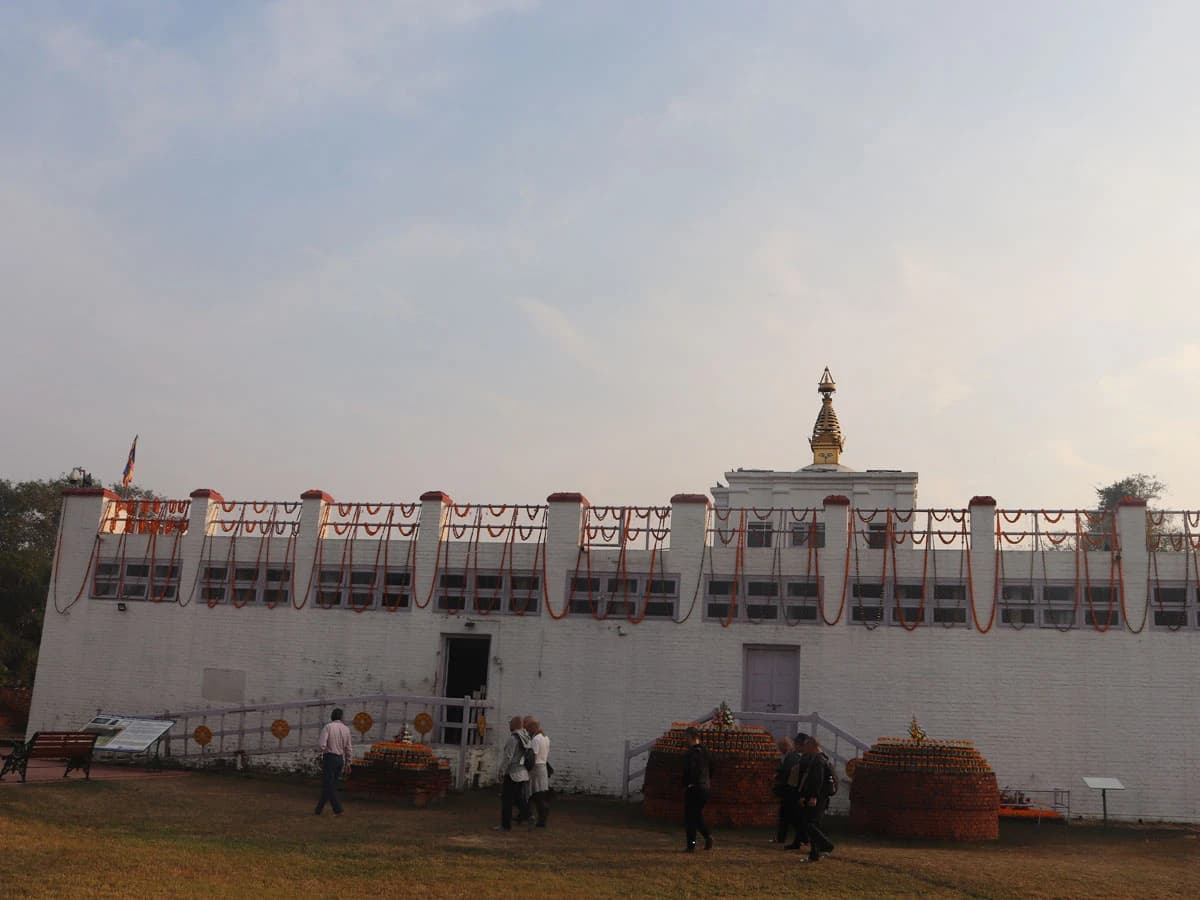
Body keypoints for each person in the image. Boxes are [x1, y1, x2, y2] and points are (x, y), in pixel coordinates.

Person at [794, 734, 836, 862]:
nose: (804, 748)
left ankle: (827, 844)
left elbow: (817, 780)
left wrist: (813, 797)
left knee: (809, 824)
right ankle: (814, 854)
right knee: (814, 824)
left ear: (812, 746)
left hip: (817, 798)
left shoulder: (818, 760)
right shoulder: (822, 758)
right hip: (820, 797)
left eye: (806, 746)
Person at [496, 716, 532, 831]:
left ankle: (505, 826)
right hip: (522, 772)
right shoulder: (526, 737)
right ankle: (528, 815)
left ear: (515, 725)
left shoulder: (514, 738)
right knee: (518, 798)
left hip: (512, 772)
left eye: (510, 723)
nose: (509, 725)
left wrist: (501, 771)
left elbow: (508, 757)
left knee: (507, 800)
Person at [315, 707, 353, 816]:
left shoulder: (328, 727)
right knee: (331, 785)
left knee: (329, 785)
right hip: (340, 758)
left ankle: (338, 809)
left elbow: (322, 744)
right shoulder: (346, 729)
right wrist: (348, 762)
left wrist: (322, 751)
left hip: (330, 757)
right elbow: (348, 748)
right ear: (341, 717)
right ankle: (318, 809)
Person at [681, 726, 713, 852]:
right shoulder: (706, 751)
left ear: (690, 736)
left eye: (686, 737)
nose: (685, 740)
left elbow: (691, 770)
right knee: (696, 815)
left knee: (690, 818)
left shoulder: (692, 753)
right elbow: (712, 768)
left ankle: (691, 845)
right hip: (705, 787)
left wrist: (689, 783)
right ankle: (707, 836)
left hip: (695, 787)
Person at [772, 736, 803, 845]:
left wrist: (778, 776)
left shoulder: (791, 757)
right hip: (790, 791)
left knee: (789, 816)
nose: (779, 749)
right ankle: (783, 838)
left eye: (780, 747)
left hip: (790, 792)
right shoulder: (792, 756)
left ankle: (801, 838)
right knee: (787, 816)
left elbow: (787, 773)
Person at [526, 717, 552, 828]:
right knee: (537, 794)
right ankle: (533, 816)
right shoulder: (546, 738)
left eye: (528, 727)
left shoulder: (536, 739)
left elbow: (533, 756)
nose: (527, 730)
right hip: (543, 768)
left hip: (536, 769)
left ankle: (541, 819)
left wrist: (527, 768)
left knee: (536, 795)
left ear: (533, 727)